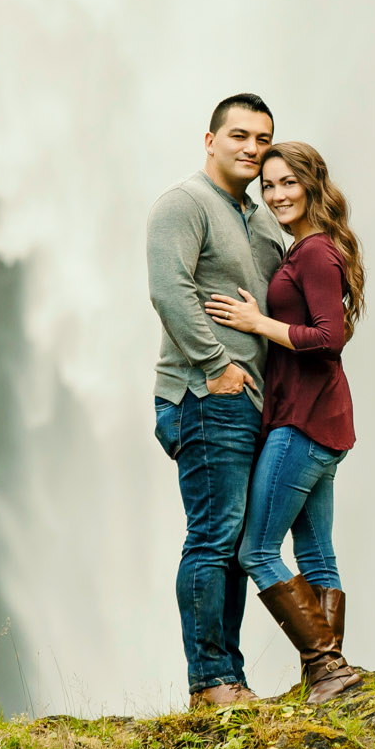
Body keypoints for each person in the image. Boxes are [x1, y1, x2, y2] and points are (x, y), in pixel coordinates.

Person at [204, 141, 364, 703]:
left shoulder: (316, 252)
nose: (276, 195)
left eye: (287, 183)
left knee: (256, 551)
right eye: (268, 186)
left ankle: (328, 668)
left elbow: (328, 339)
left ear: (312, 183)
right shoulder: (307, 248)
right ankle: (329, 681)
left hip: (303, 422)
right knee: (316, 550)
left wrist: (255, 321)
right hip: (322, 421)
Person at [146, 93, 291, 707]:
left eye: (261, 139)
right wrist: (217, 367)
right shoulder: (184, 203)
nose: (251, 149)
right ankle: (212, 681)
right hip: (204, 394)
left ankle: (228, 676)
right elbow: (168, 287)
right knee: (213, 535)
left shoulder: (259, 219)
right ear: (210, 140)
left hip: (250, 401)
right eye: (239, 136)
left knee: (235, 541)